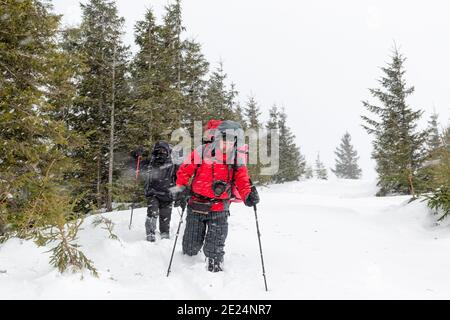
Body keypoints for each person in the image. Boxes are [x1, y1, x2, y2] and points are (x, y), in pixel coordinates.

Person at [171, 120, 260, 272]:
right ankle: (187, 267)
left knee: (215, 247)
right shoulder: (202, 151)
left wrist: (248, 194)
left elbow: (242, 179)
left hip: (219, 208)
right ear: (218, 138)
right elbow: (185, 170)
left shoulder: (236, 157)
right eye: (225, 140)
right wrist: (181, 188)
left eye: (232, 141)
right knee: (190, 247)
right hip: (196, 205)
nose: (228, 144)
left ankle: (214, 271)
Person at [143, 141, 178, 242]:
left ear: (167, 152)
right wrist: (137, 156)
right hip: (153, 193)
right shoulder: (150, 162)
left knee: (165, 215)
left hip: (167, 194)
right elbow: (138, 165)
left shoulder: (173, 164)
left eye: (163, 151)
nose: (161, 153)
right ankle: (150, 233)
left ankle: (164, 233)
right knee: (152, 212)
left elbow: (180, 176)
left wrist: (181, 193)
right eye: (158, 151)